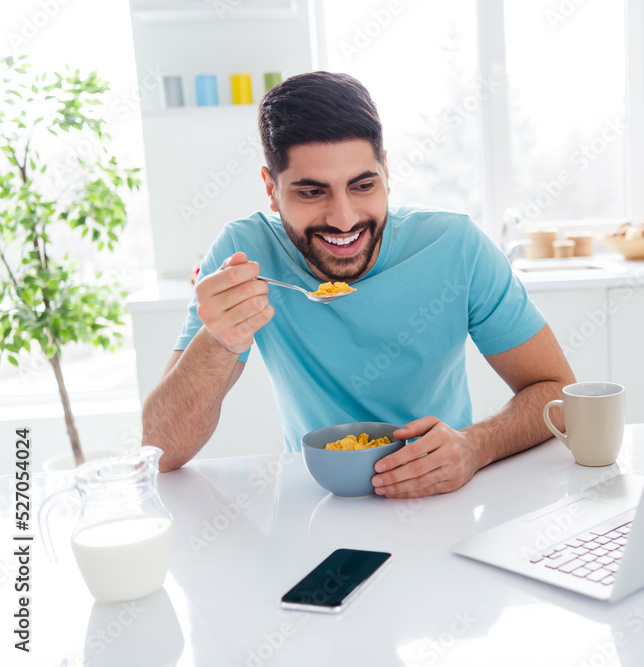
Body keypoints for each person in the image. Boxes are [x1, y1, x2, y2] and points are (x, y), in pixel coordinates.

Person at [142, 71, 576, 498]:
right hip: (316, 500)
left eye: (363, 185)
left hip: (443, 493)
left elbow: (559, 395)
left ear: (386, 172)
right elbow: (162, 452)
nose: (344, 219)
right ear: (271, 190)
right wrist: (217, 338)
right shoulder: (244, 254)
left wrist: (476, 445)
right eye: (312, 192)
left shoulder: (456, 246)